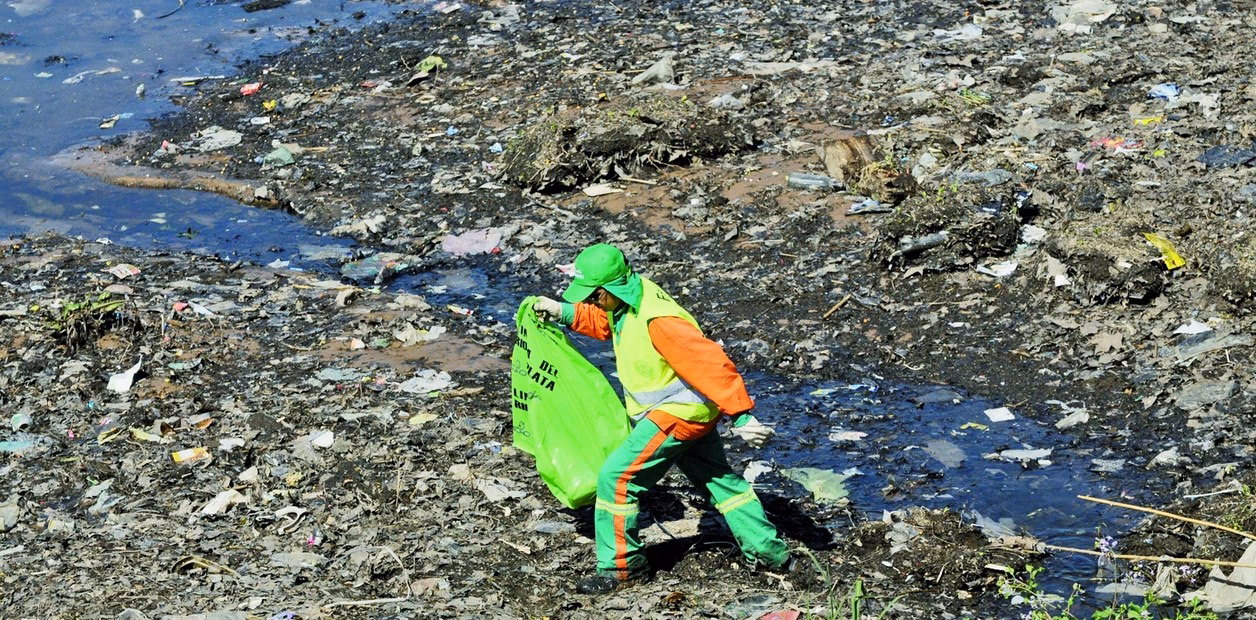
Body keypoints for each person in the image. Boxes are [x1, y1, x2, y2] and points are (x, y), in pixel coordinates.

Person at [531, 243, 793, 594]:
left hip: (677, 414)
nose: (591, 303)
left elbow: (710, 363)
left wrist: (742, 416)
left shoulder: (659, 320)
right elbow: (607, 321)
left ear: (610, 289)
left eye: (593, 296)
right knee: (721, 483)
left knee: (617, 478)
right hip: (691, 411)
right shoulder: (626, 299)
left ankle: (621, 569)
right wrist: (563, 312)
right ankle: (771, 554)